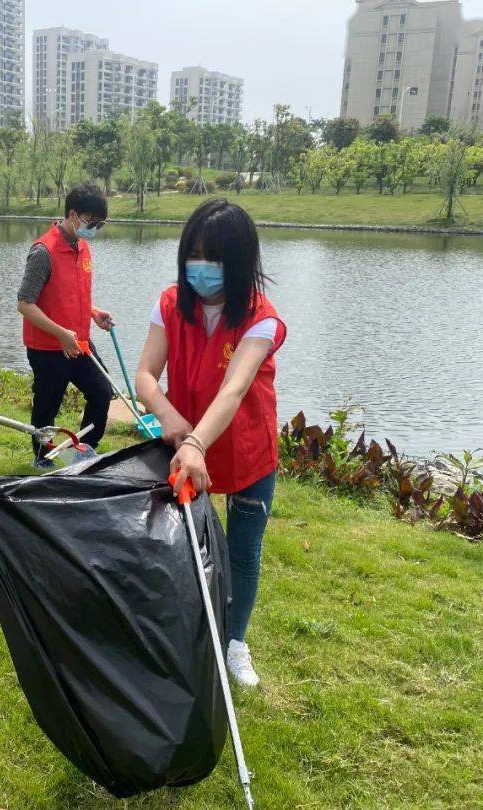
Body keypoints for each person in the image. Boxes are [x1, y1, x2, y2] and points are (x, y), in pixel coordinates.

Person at [136, 200, 286, 687]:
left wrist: (198, 439)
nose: (200, 267)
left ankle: (235, 643)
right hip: (184, 447)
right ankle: (189, 631)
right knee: (184, 545)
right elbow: (144, 377)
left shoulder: (262, 317)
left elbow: (235, 389)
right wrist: (170, 416)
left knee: (243, 551)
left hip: (246, 450)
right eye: (193, 255)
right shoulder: (169, 303)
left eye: (213, 257)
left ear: (240, 261)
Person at [16, 184, 115, 468]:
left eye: (101, 224)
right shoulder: (43, 251)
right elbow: (24, 304)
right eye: (92, 221)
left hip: (79, 342)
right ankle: (42, 459)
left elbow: (69, 294)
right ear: (73, 214)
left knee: (101, 391)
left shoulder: (83, 247)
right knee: (48, 404)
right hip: (48, 347)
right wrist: (60, 333)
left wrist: (94, 313)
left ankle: (84, 451)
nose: (95, 228)